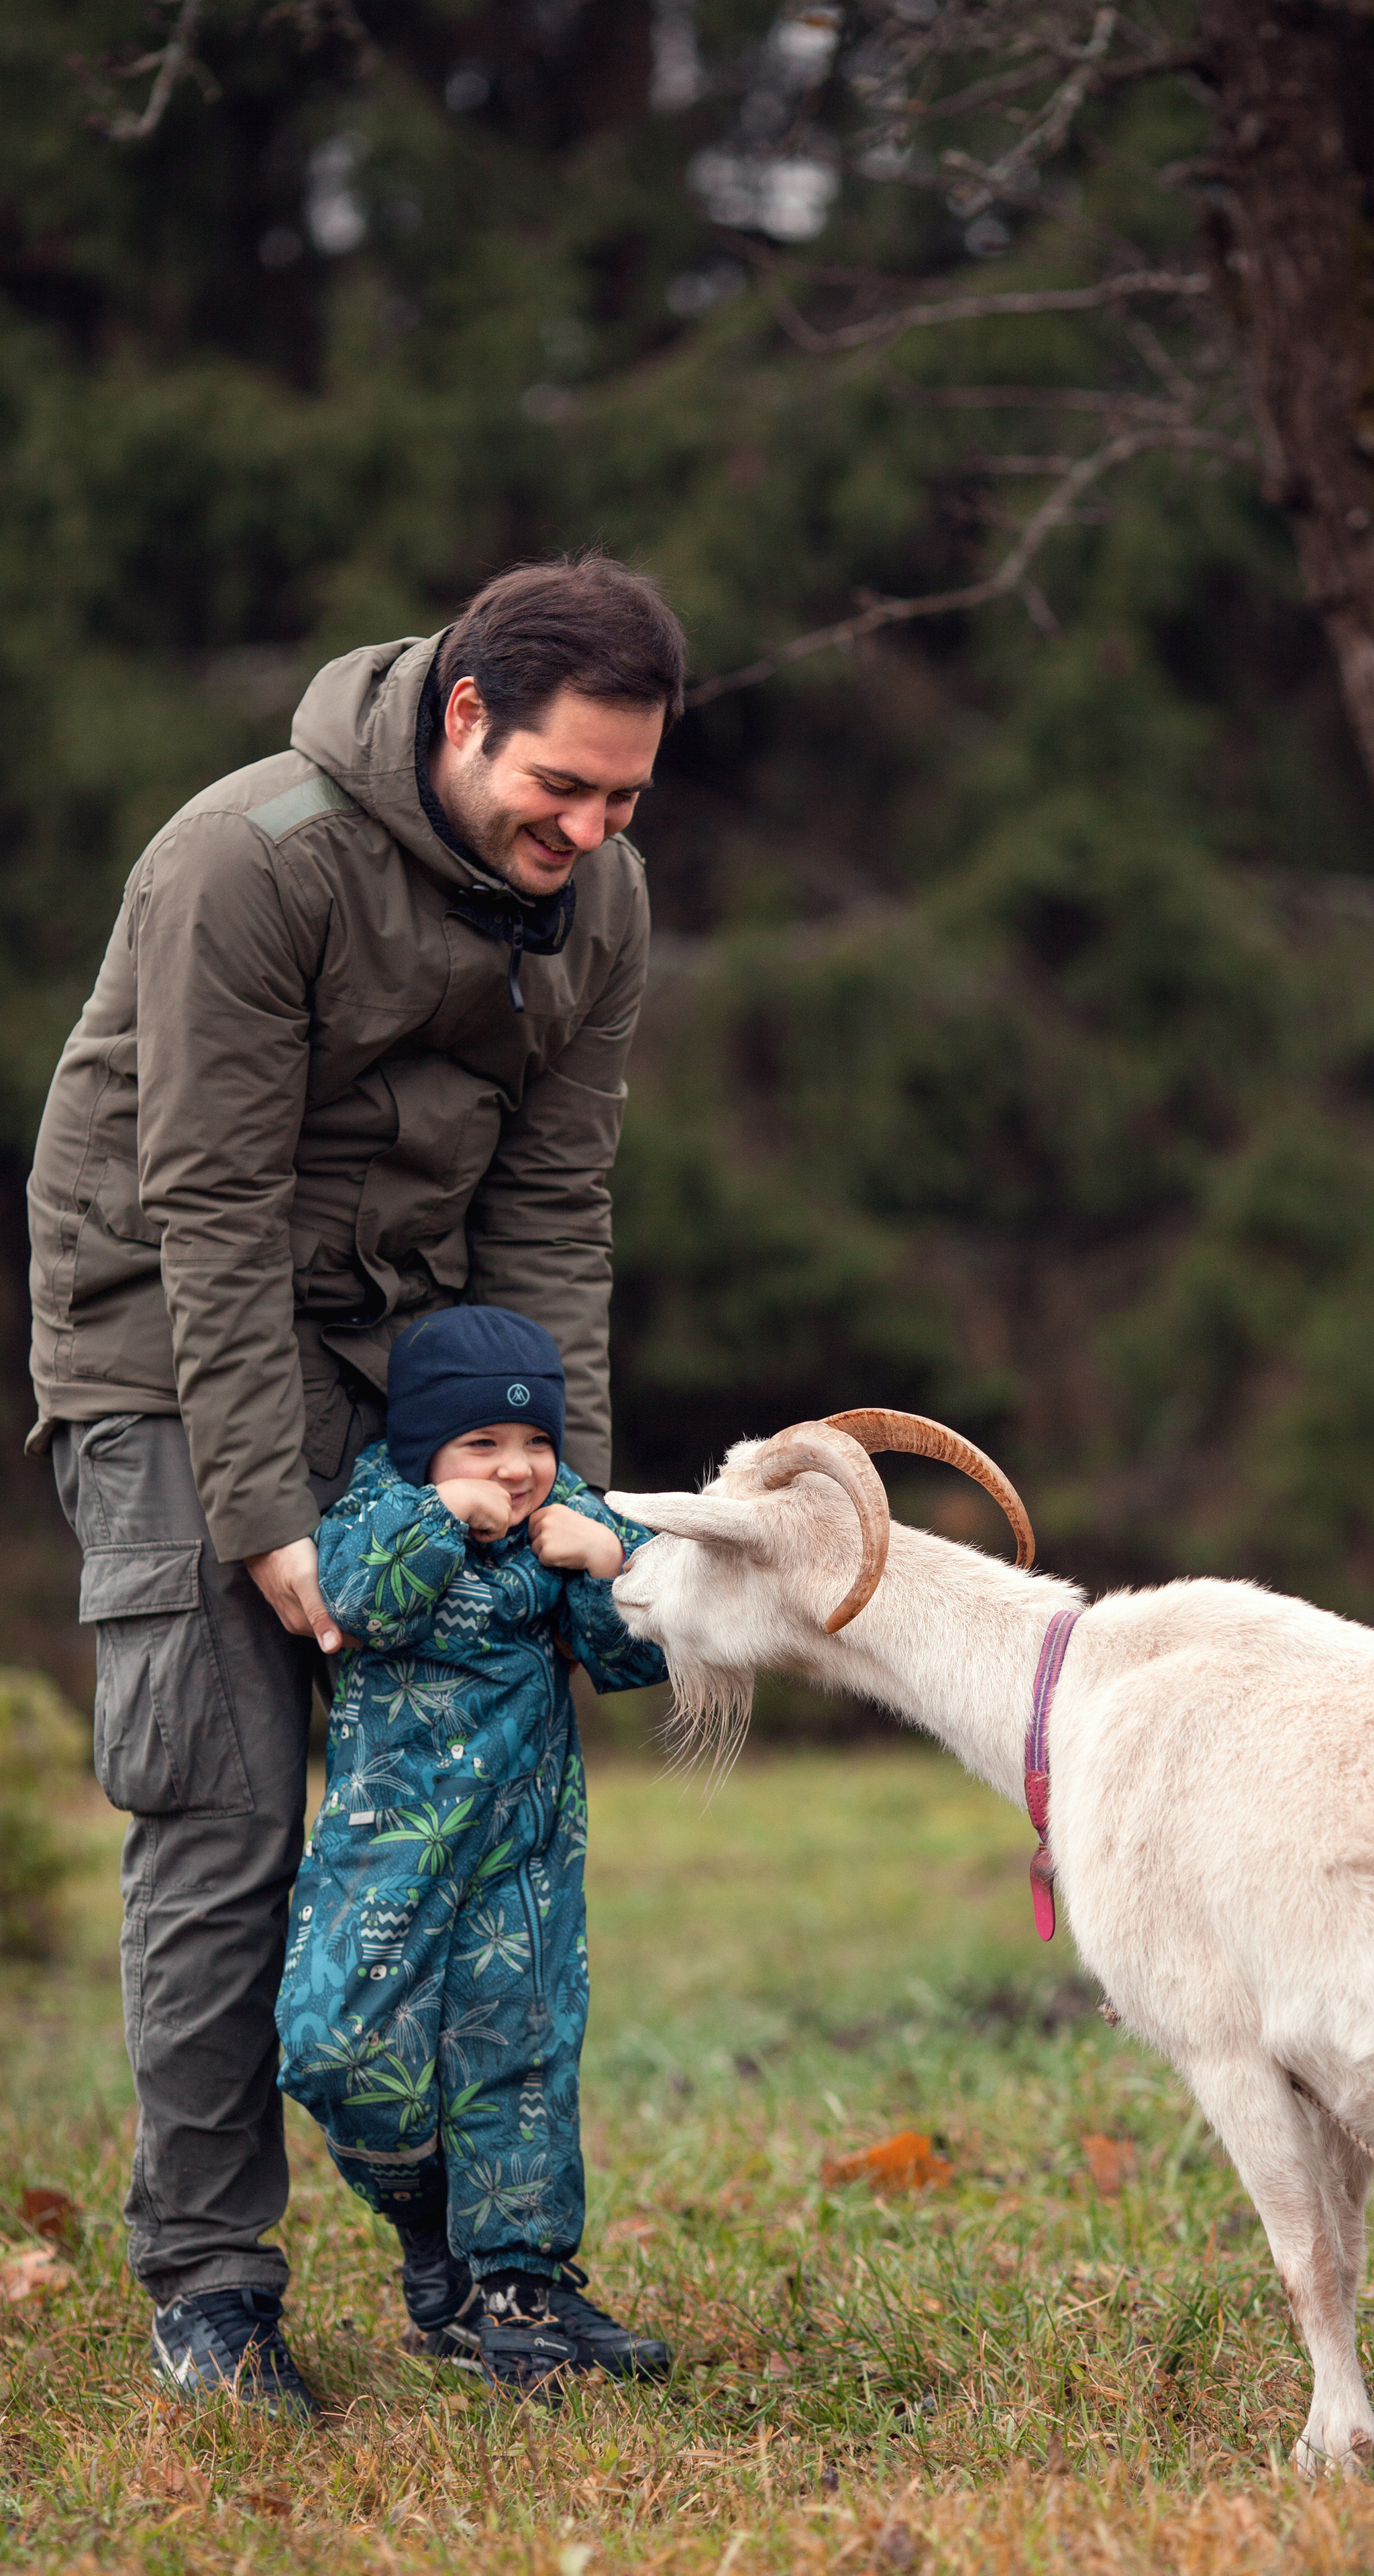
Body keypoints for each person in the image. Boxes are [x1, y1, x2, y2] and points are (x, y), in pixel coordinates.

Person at [26, 550, 684, 2413]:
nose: (593, 826)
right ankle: (215, 2294)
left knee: (472, 1842)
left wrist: (572, 1513)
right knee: (229, 1819)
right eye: (564, 785)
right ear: (466, 714)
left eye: (627, 795)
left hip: (417, 1363)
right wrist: (264, 1517)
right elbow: (208, 1210)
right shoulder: (250, 860)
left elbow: (552, 1206)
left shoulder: (602, 900)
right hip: (170, 1348)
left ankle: (489, 2278)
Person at [277, 1305, 669, 2398]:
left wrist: (612, 1564)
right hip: (386, 1858)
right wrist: (441, 1513)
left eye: (535, 1443)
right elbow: (357, 1600)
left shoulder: (566, 1526)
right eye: (482, 1447)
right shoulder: (381, 1506)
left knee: (519, 2068)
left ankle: (522, 2296)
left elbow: (637, 1658)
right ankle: (436, 2237)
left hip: (521, 1861)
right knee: (333, 2050)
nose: (517, 1469)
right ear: (425, 1449)